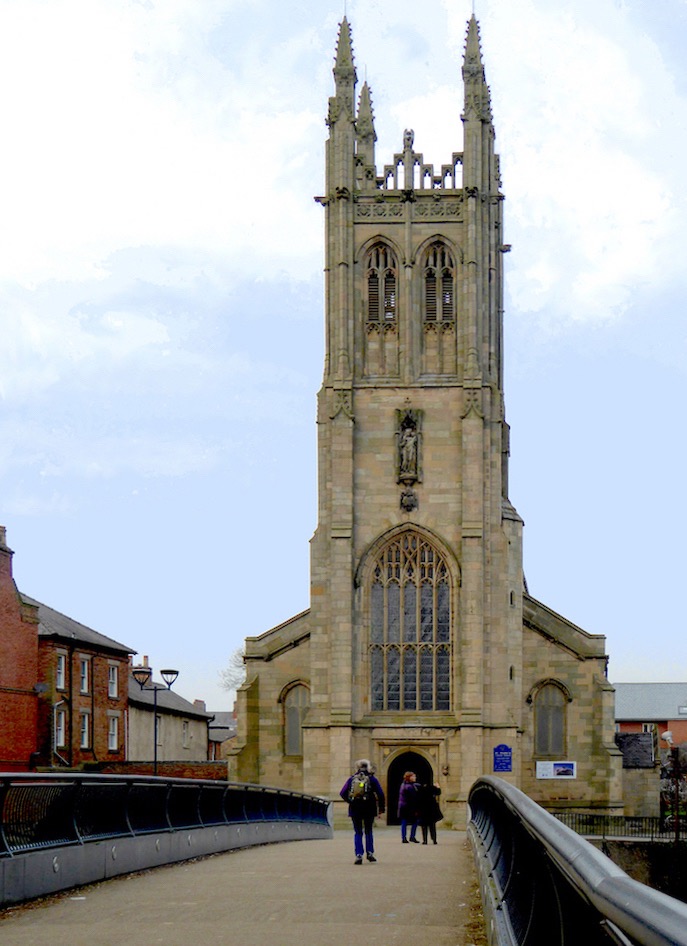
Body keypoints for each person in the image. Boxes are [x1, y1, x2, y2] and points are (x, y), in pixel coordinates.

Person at [340, 759, 386, 865]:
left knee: (358, 832)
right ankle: (370, 853)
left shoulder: (352, 779)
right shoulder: (372, 779)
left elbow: (342, 792)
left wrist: (350, 801)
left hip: (355, 808)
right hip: (369, 808)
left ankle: (358, 854)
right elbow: (380, 794)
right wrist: (381, 809)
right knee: (369, 831)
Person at [397, 771, 420, 843]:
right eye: (413, 776)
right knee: (415, 821)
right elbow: (413, 798)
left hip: (403, 806)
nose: (415, 777)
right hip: (408, 806)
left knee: (404, 822)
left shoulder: (404, 784)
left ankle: (404, 838)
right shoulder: (409, 787)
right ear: (409, 777)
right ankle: (412, 837)